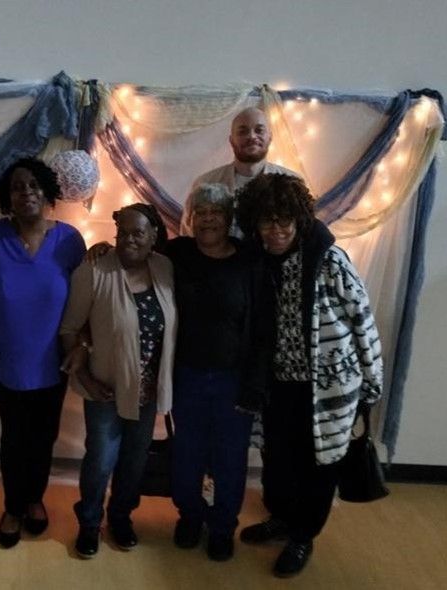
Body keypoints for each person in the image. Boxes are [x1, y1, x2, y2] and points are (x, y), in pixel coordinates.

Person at [234, 173, 383, 578]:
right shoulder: (257, 262)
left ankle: (303, 535)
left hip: (329, 386)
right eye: (267, 221)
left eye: (285, 220)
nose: (277, 230)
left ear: (299, 219)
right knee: (278, 460)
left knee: (320, 465)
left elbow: (362, 319)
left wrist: (372, 383)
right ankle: (281, 518)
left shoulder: (330, 260)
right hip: (278, 385)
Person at [0, 157, 86, 548]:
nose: (27, 193)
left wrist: (83, 344)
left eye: (35, 185)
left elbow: (86, 299)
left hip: (54, 358)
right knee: (14, 436)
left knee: (44, 435)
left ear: (48, 192)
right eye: (18, 187)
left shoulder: (69, 239)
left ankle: (34, 499)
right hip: (7, 356)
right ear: (7, 196)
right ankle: (13, 506)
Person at [60, 204, 177, 559]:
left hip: (148, 392)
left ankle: (121, 517)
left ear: (154, 235)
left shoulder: (165, 267)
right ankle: (90, 523)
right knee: (101, 459)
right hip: (105, 388)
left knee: (134, 462)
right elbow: (69, 329)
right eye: (122, 232)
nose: (128, 240)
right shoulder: (94, 270)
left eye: (137, 233)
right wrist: (83, 375)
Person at [167, 184, 271, 561]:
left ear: (229, 220)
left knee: (230, 458)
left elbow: (262, 328)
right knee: (187, 454)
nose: (208, 218)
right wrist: (103, 248)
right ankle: (190, 517)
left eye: (216, 212)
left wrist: (254, 385)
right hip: (187, 376)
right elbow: (137, 239)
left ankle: (224, 526)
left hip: (233, 380)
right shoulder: (176, 253)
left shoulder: (249, 261)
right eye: (201, 211)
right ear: (192, 218)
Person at [179, 107, 299, 236]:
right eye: (243, 132)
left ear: (270, 137)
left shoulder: (292, 183)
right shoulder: (205, 183)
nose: (252, 136)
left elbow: (303, 232)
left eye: (259, 130)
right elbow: (188, 234)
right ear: (231, 140)